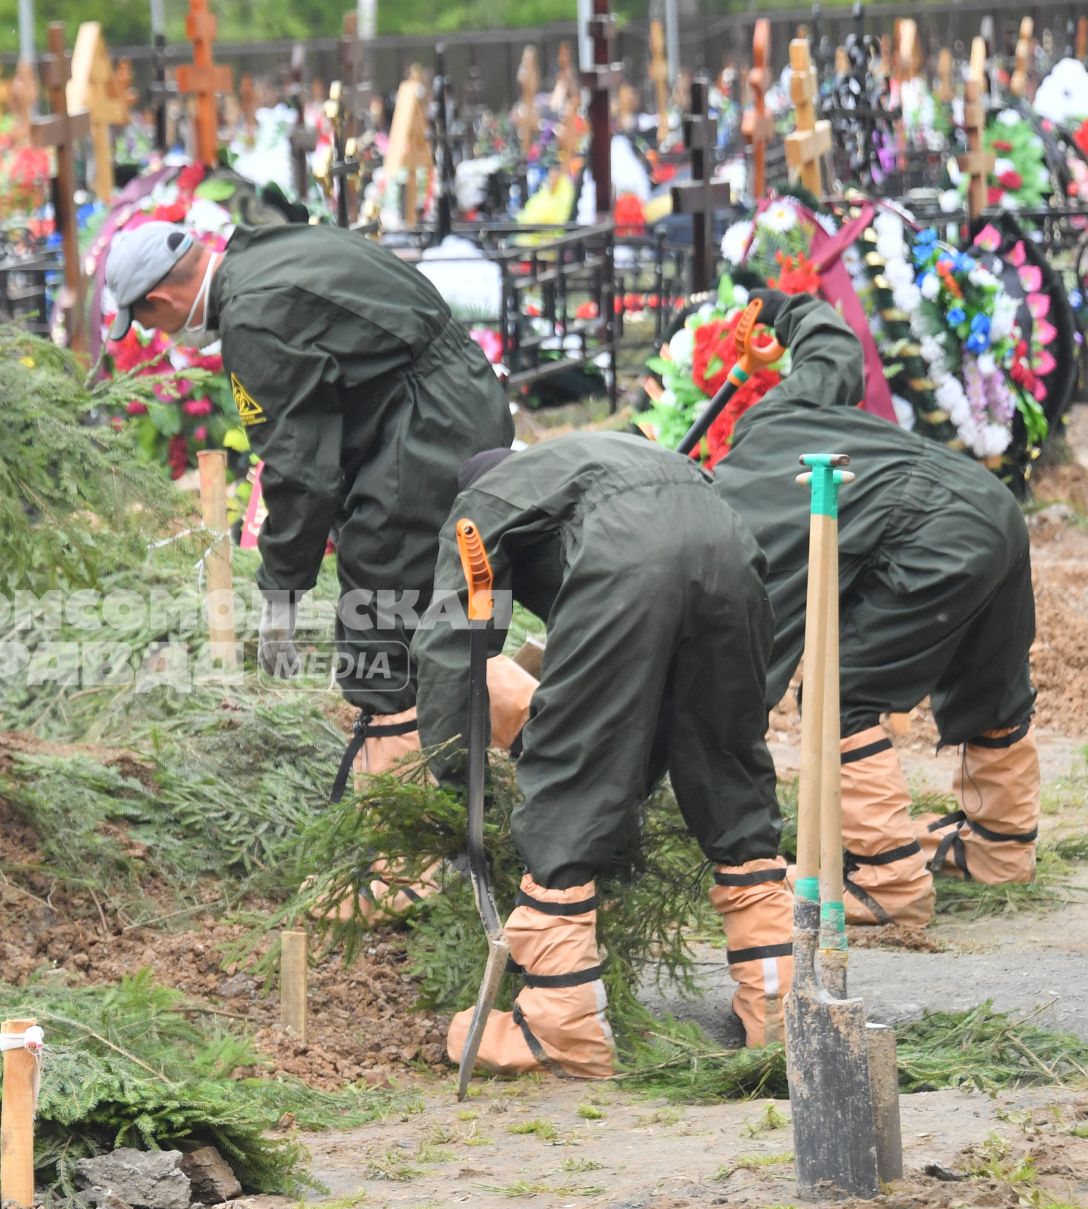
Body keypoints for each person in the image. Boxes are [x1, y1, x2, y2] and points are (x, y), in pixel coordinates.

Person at [103, 220, 530, 916]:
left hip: (425, 428)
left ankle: (406, 861)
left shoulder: (253, 318)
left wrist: (280, 595)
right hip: (456, 400)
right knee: (438, 615)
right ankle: (521, 737)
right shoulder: (270, 250)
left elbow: (301, 471)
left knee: (377, 632)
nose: (158, 337)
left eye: (147, 322)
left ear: (158, 300)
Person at [416, 433, 791, 1076]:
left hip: (628, 558)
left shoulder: (484, 503)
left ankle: (561, 1028)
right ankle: (781, 1009)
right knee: (730, 767)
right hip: (732, 549)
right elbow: (645, 712)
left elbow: (453, 650)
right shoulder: (586, 463)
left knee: (570, 770)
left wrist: (455, 783)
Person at [709, 291, 1040, 925]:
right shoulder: (776, 413)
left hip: (934, 532)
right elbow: (834, 352)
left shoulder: (733, 517)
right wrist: (787, 308)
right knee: (990, 678)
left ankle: (886, 881)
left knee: (839, 690)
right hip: (991, 503)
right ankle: (1002, 849)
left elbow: (737, 663)